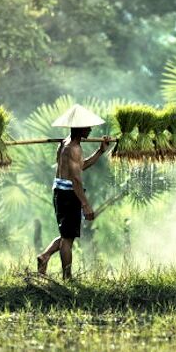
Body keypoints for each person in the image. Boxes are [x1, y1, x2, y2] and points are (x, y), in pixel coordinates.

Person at [37, 105, 110, 280]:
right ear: (79, 128)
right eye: (87, 127)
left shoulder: (65, 144)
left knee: (66, 235)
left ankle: (44, 256)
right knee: (68, 240)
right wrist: (85, 204)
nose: (91, 129)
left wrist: (100, 151)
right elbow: (76, 180)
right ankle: (67, 277)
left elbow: (81, 166)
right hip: (68, 195)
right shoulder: (74, 148)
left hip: (60, 192)